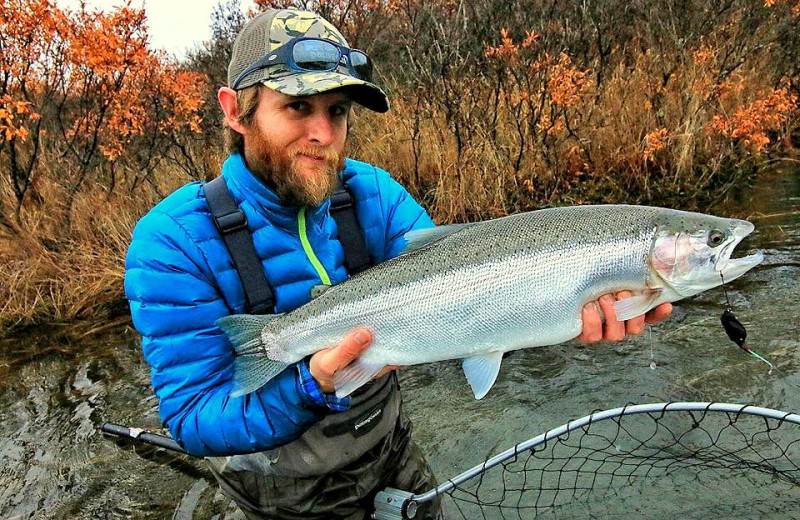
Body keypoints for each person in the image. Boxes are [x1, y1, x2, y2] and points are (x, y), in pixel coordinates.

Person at [124, 8, 672, 520]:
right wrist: (311, 385)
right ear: (234, 111)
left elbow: (465, 287)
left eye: (336, 111)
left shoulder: (374, 196)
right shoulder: (172, 243)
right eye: (297, 108)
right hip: (279, 496)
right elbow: (194, 418)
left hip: (391, 456)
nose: (323, 136)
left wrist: (559, 306)